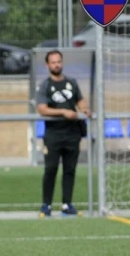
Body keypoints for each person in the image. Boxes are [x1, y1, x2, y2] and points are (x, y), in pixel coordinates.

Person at [35, 50, 90, 217]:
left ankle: (67, 204)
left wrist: (84, 108)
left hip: (72, 133)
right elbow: (42, 109)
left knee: (70, 170)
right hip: (53, 135)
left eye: (59, 61)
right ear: (47, 65)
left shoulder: (71, 82)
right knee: (50, 169)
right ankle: (46, 205)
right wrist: (63, 112)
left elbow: (79, 99)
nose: (56, 64)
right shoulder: (45, 85)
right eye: (53, 62)